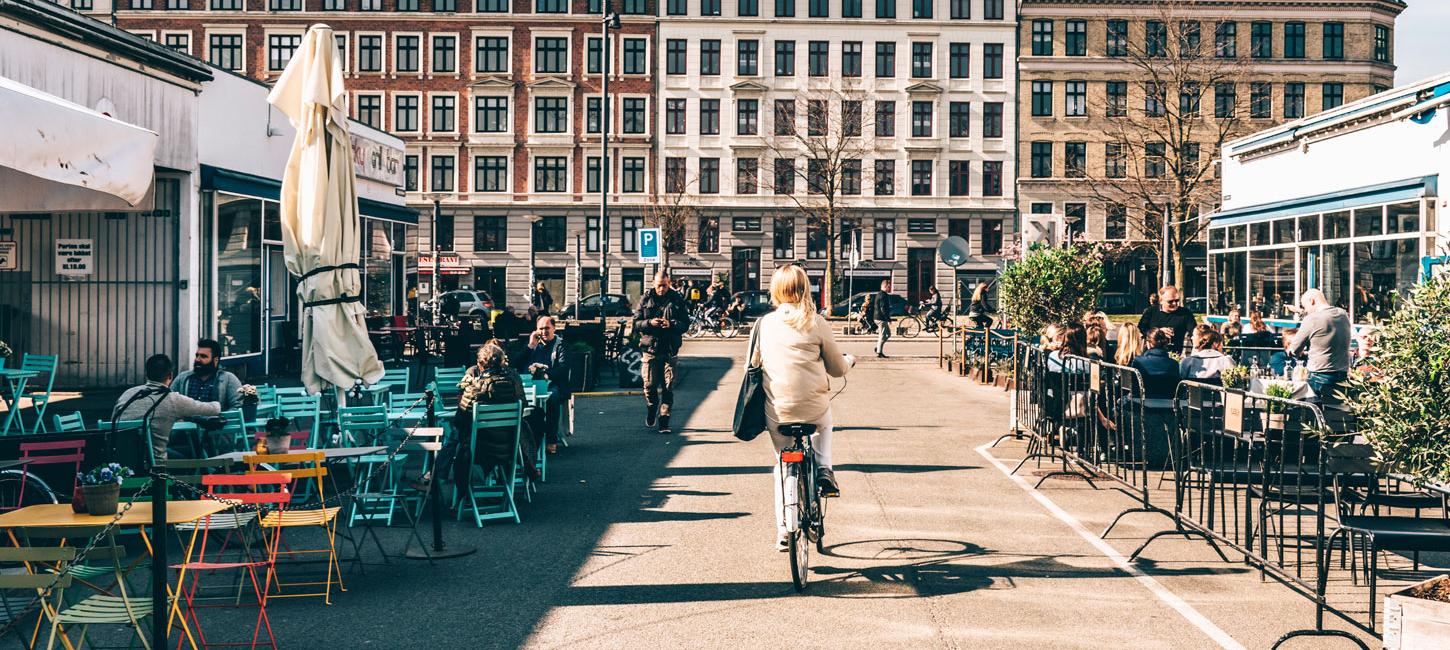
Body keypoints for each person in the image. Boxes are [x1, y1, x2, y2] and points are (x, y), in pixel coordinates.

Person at [751, 265, 854, 551]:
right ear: (805, 288)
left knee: (782, 465)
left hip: (777, 411)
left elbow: (754, 365)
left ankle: (784, 529)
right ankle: (824, 469)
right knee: (825, 421)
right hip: (813, 408)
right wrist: (850, 361)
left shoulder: (764, 324)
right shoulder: (816, 322)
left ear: (776, 289)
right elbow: (836, 369)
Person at [426, 343, 528, 489]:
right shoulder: (515, 381)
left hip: (480, 449)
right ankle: (436, 475)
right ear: (502, 362)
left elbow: (460, 421)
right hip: (510, 446)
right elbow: (523, 406)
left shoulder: (474, 389)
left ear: (480, 364)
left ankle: (439, 477)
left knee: (457, 434)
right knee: (458, 434)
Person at [114, 354, 222, 463]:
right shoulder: (172, 399)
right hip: (155, 464)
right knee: (190, 457)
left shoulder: (127, 394)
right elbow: (213, 409)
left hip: (121, 463)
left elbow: (114, 422)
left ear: (146, 374)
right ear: (170, 376)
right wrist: (217, 402)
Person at [633, 270, 690, 434]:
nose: (662, 289)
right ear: (653, 283)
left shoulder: (677, 299)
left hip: (670, 349)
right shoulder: (646, 298)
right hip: (650, 349)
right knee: (649, 385)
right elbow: (636, 323)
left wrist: (671, 324)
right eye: (659, 286)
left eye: (665, 286)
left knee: (668, 386)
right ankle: (652, 408)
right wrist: (650, 322)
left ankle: (664, 421)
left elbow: (685, 324)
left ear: (669, 283)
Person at [1287, 289, 1352, 404]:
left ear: (1312, 301)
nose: (1306, 310)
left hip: (1319, 378)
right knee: (1337, 415)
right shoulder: (1343, 314)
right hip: (1342, 376)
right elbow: (1324, 320)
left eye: (1305, 306)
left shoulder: (1311, 319)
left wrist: (1291, 351)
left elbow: (1294, 349)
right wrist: (1300, 312)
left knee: (1314, 417)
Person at [526, 316, 571, 452]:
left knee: (552, 398)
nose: (544, 331)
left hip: (554, 384)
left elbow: (563, 369)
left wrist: (547, 374)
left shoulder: (562, 345)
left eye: (547, 328)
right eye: (541, 328)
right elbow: (517, 363)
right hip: (533, 384)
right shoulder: (535, 344)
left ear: (554, 328)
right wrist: (530, 346)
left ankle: (551, 439)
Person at [171, 338, 242, 412]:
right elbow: (169, 402)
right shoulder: (182, 378)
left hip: (216, 423)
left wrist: (220, 419)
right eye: (197, 355)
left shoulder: (228, 379)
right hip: (186, 423)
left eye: (203, 356)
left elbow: (238, 407)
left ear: (215, 360)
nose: (197, 359)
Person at [1137, 285, 1198, 352]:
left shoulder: (1185, 313)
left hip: (1174, 354)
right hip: (1152, 353)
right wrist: (1157, 332)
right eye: (1170, 301)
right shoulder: (1151, 312)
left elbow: (1195, 332)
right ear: (1161, 301)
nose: (1174, 303)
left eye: (1177, 300)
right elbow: (1140, 329)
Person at [872, 279, 894, 358]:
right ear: (885, 286)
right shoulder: (883, 295)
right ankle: (879, 352)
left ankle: (878, 347)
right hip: (881, 318)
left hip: (879, 317)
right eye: (889, 287)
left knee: (888, 334)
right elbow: (883, 308)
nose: (890, 288)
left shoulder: (879, 294)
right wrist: (888, 318)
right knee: (882, 335)